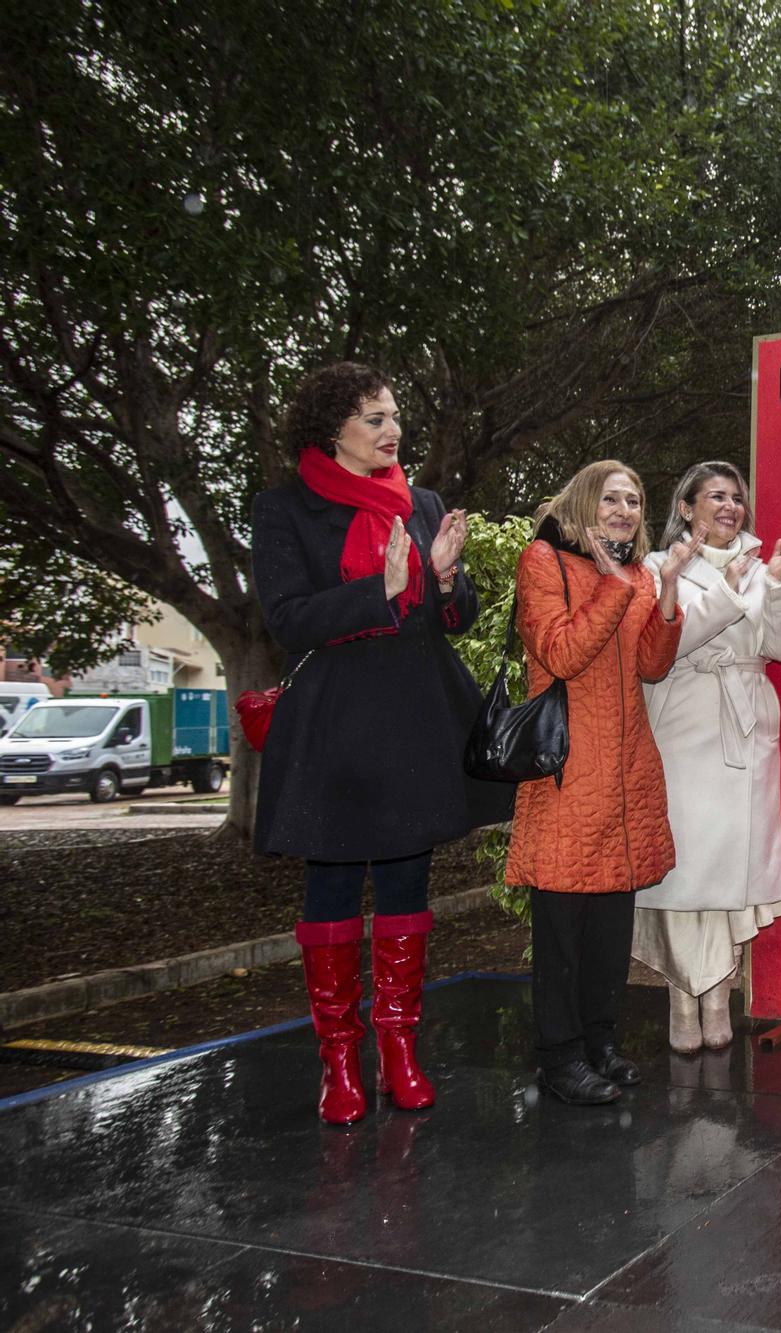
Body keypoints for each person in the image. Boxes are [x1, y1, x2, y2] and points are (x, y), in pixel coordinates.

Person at [252, 361, 514, 1126]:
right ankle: (339, 1059)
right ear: (332, 428)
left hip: (412, 720)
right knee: (332, 887)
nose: (391, 429)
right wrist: (381, 587)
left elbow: (453, 614)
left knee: (406, 884)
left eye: (393, 415)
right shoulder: (284, 509)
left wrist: (442, 578)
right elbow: (290, 618)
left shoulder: (421, 501)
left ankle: (401, 1048)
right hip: (335, 727)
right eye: (373, 417)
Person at [504, 460, 697, 1106]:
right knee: (562, 923)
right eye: (612, 498)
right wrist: (615, 585)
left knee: (611, 920)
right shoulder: (543, 561)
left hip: (625, 772)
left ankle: (600, 1041)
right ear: (585, 501)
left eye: (635, 500)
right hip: (568, 771)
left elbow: (651, 663)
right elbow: (560, 651)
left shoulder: (639, 573)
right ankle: (559, 1058)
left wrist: (664, 592)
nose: (624, 510)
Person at [633, 462, 781, 1053]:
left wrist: (777, 588)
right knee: (687, 871)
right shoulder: (659, 567)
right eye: (715, 496)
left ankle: (720, 994)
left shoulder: (763, 569)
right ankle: (684, 999)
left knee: (736, 866)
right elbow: (665, 642)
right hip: (684, 724)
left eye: (737, 497)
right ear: (686, 508)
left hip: (746, 724)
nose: (729, 506)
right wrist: (730, 592)